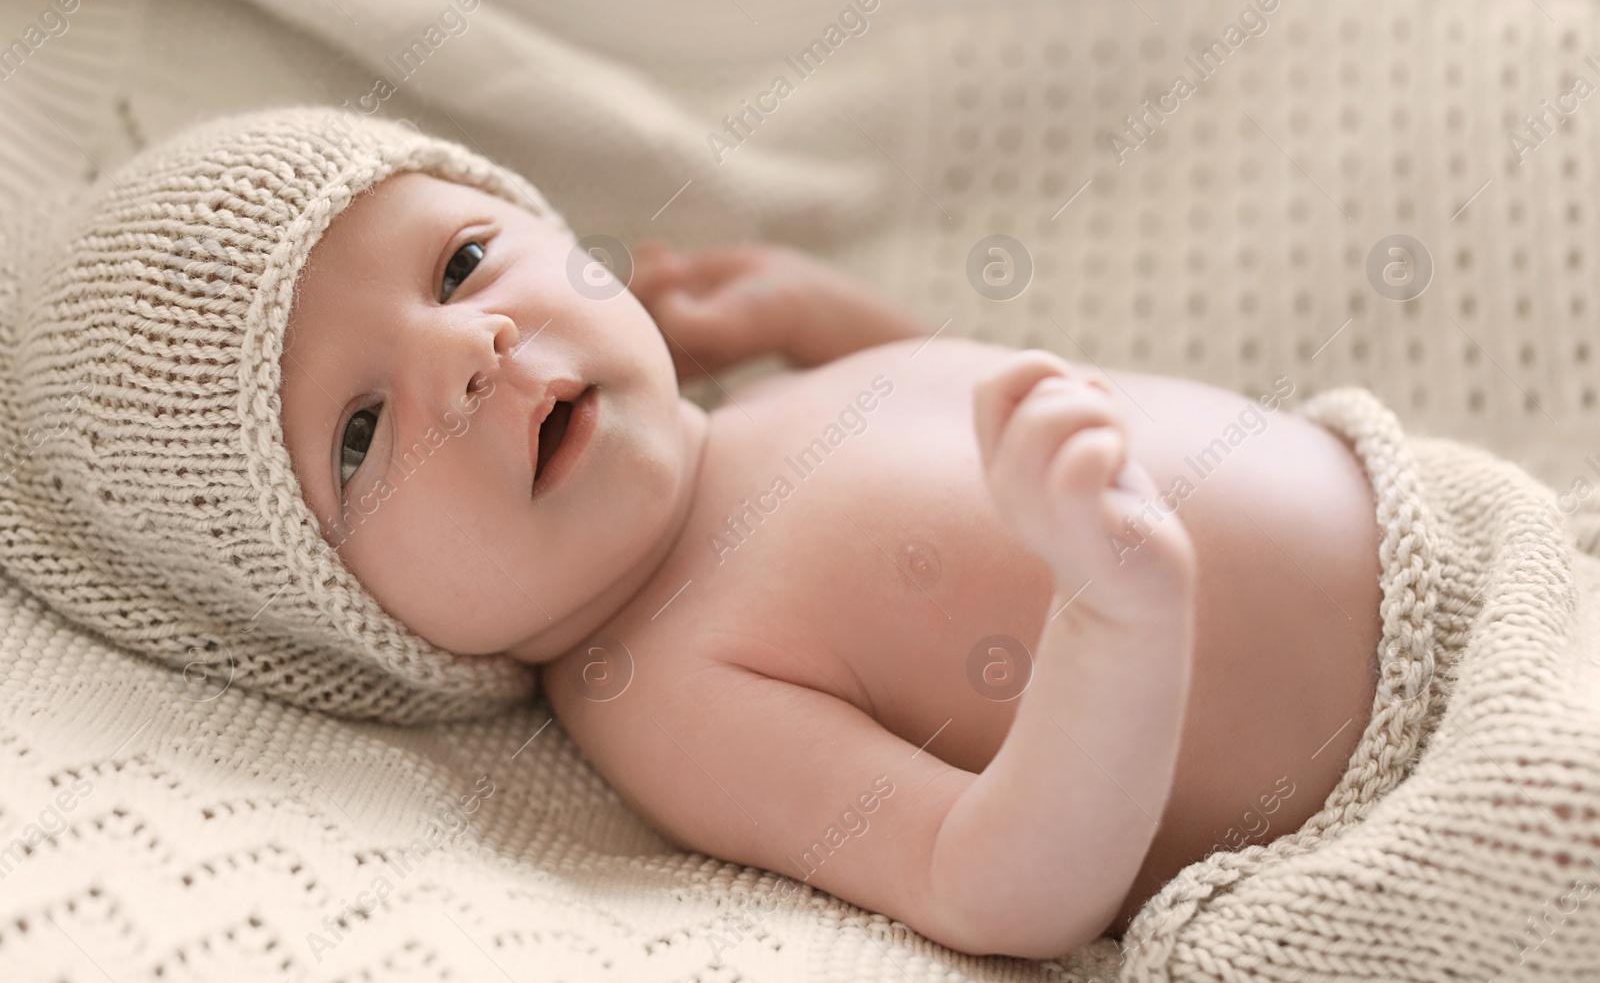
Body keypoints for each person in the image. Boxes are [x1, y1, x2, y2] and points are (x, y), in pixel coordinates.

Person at [7, 107, 1389, 958]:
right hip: (1396, 760)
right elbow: (990, 886)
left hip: (1440, 511)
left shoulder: (754, 412)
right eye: (362, 433)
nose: (470, 350)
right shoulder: (659, 683)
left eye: (462, 261)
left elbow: (987, 409)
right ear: (358, 620)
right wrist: (1113, 618)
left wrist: (823, 315)